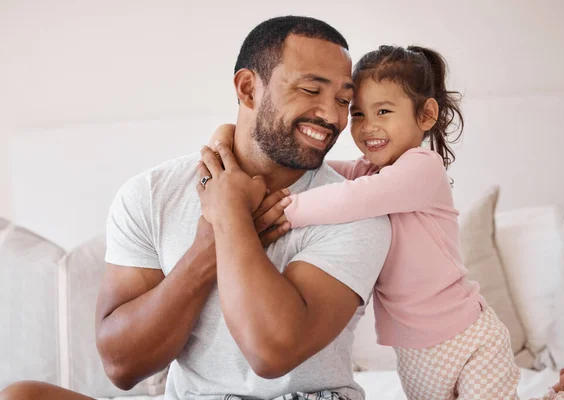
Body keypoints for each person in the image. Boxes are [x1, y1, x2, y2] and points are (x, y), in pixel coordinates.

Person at [0, 16, 393, 400]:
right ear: (247, 88)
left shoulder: (355, 210)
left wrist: (232, 219)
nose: (332, 116)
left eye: (344, 100)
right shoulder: (151, 194)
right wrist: (209, 244)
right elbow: (122, 367)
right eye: (311, 90)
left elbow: (272, 353)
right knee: (22, 395)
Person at [207, 45, 564, 400]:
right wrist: (230, 142)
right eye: (358, 114)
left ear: (425, 115)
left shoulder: (421, 169)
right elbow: (315, 173)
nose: (367, 127)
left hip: (468, 338)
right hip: (413, 352)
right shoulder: (367, 170)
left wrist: (280, 211)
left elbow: (350, 198)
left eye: (384, 112)